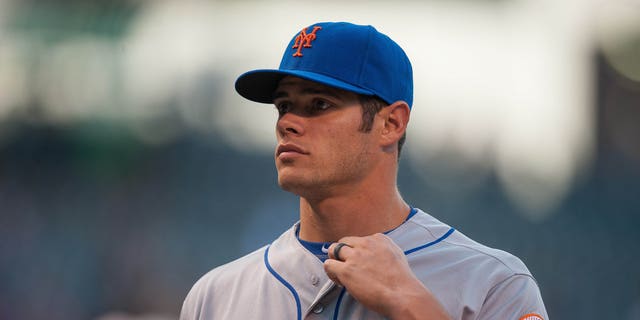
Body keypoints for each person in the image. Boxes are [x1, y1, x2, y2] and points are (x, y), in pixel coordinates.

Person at [180, 21, 548, 320]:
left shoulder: (494, 283)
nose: (288, 122)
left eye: (319, 104)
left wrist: (410, 304)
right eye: (283, 105)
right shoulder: (214, 297)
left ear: (391, 123)